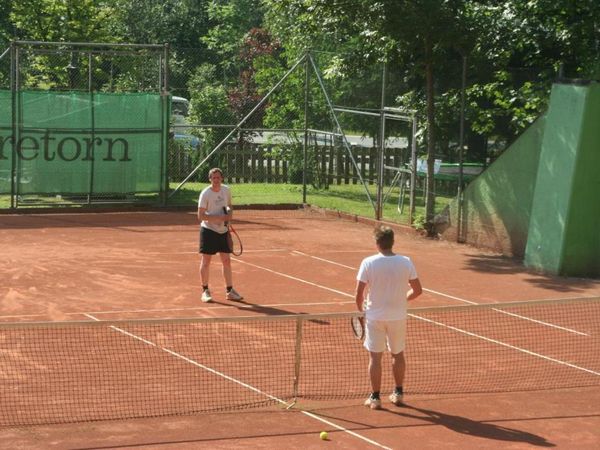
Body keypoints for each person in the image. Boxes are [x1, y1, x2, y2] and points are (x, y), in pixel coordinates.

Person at [355, 225, 422, 410]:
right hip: (398, 316)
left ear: (377, 243)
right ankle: (399, 393)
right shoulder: (406, 262)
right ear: (392, 242)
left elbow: (359, 294)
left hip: (374, 317)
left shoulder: (368, 262)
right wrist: (403, 299)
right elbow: (418, 290)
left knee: (375, 359)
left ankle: (375, 398)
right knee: (398, 354)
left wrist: (361, 313)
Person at [197, 167, 243, 303]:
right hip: (208, 231)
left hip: (223, 231)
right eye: (213, 178)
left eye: (218, 177)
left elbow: (229, 206)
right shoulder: (205, 194)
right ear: (210, 179)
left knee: (226, 261)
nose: (216, 180)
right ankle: (205, 291)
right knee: (206, 261)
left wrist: (228, 215)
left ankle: (230, 291)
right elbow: (200, 216)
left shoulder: (226, 190)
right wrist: (219, 218)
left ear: (221, 178)